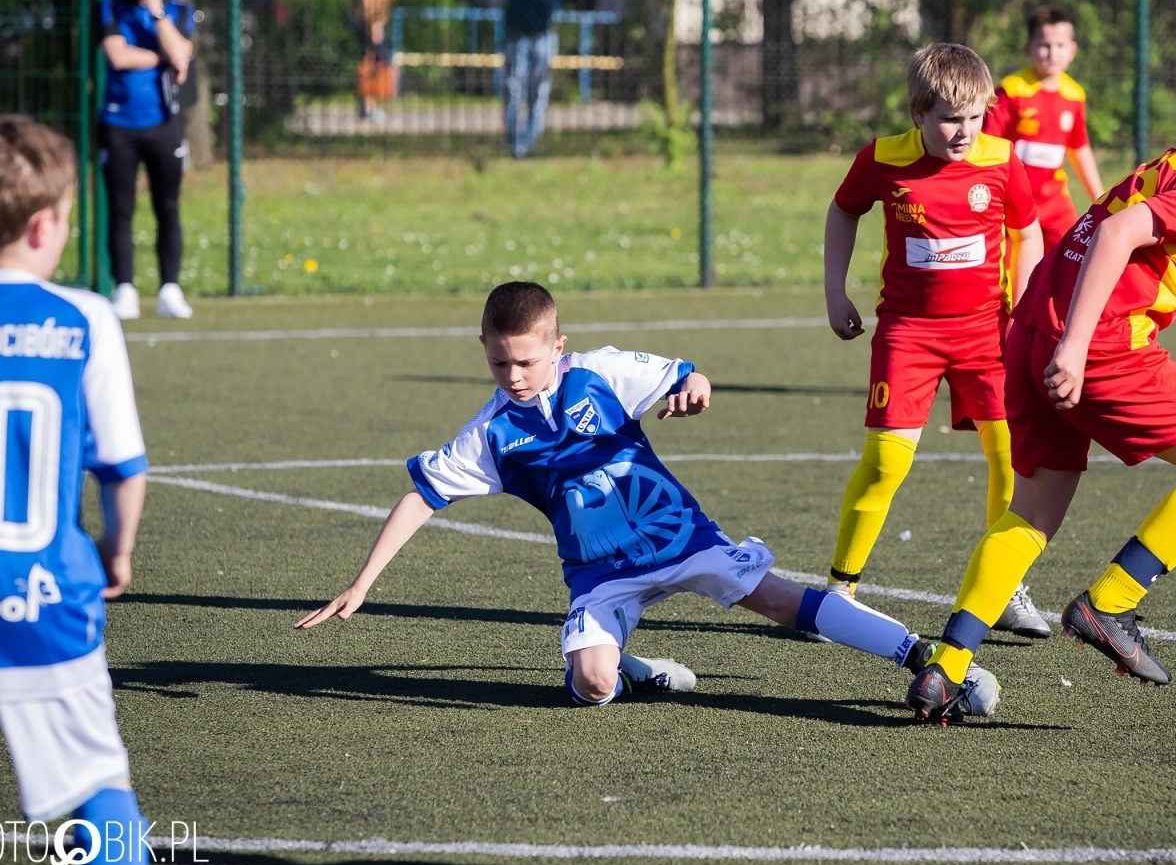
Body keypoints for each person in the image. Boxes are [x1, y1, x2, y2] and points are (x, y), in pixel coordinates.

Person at [296, 281, 1000, 717]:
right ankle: (631, 669)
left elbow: (686, 375)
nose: (512, 374)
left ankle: (922, 656)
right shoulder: (492, 434)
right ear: (482, 348)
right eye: (498, 360)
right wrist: (362, 583)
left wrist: (696, 390)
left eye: (526, 359)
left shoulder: (599, 373)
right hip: (602, 575)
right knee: (590, 688)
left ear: (558, 347)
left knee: (783, 602)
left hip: (681, 539)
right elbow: (422, 495)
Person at [905, 42, 1176, 723]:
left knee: (1033, 512)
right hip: (1097, 348)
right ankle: (1110, 603)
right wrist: (1079, 350)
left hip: (1031, 332)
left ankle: (945, 668)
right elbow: (1117, 234)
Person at [0, 116, 151, 865]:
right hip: (45, 600)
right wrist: (117, 552)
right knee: (101, 791)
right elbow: (124, 467)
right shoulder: (84, 319)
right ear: (44, 227)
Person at [822, 43, 1048, 639]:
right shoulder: (882, 158)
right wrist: (834, 291)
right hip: (908, 335)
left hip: (986, 336)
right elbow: (844, 210)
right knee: (885, 463)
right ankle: (840, 589)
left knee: (1011, 459)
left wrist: (1021, 310)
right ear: (917, 113)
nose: (965, 131)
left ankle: (1004, 588)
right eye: (950, 118)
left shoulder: (1001, 160)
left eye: (975, 117)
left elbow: (1028, 231)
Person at [98, 0, 196, 321]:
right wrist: (167, 56)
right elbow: (117, 56)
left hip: (164, 124)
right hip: (118, 124)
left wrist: (158, 17)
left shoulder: (180, 9)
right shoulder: (109, 6)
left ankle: (170, 289)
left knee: (167, 207)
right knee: (121, 210)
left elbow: (182, 51)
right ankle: (125, 289)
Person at [984, 6, 1105, 251]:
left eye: (1060, 46)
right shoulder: (1011, 90)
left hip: (1055, 201)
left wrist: (1101, 199)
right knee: (1010, 273)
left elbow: (1079, 148)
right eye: (1044, 45)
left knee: (1072, 256)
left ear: (1072, 50)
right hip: (1011, 201)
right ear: (1028, 47)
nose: (1052, 53)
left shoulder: (1074, 95)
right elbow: (985, 144)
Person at [500, 0, 566, 158]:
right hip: (518, 32)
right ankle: (514, 142)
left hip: (544, 33)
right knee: (513, 86)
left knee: (539, 91)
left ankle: (529, 140)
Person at [353, 0, 396, 123]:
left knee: (373, 66)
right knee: (372, 67)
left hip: (374, 26)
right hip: (371, 27)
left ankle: (367, 106)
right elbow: (369, 6)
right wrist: (375, 27)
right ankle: (369, 107)